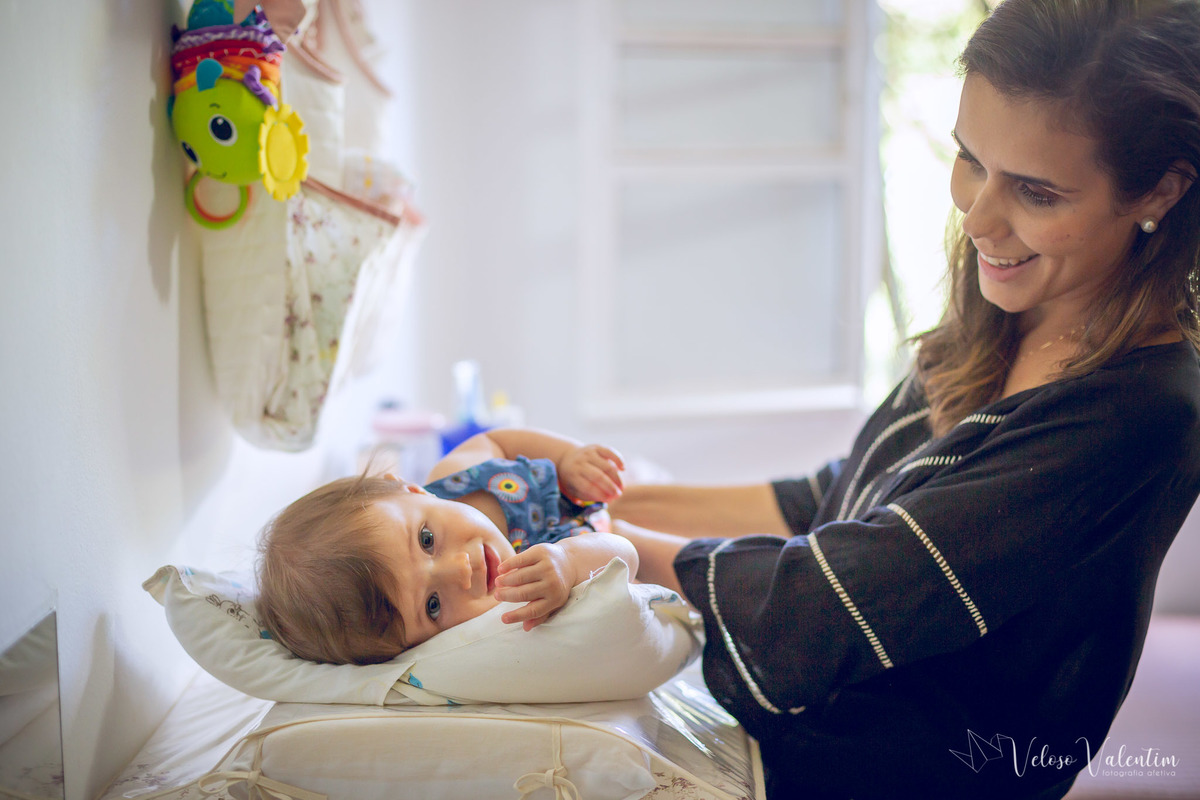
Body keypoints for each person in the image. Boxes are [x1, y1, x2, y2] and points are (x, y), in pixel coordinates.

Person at [610, 1, 1200, 797]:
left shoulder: (1144, 413)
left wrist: (599, 545)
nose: (979, 216)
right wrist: (581, 494)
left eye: (1036, 193)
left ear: (1159, 192)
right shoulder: (1005, 313)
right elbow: (832, 500)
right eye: (970, 160)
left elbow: (848, 591)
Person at [256, 428, 635, 665]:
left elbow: (498, 440)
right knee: (666, 556)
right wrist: (568, 563)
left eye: (426, 540)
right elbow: (627, 556)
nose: (460, 571)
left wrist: (568, 457)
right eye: (432, 605)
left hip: (584, 497)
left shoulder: (454, 480)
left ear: (410, 488)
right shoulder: (518, 609)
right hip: (610, 537)